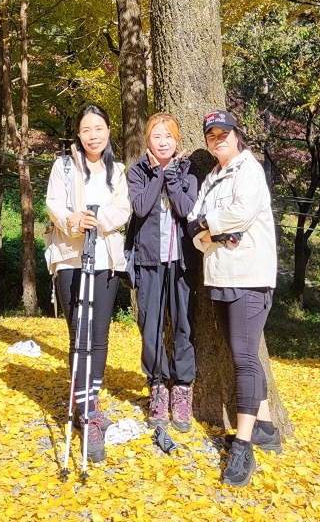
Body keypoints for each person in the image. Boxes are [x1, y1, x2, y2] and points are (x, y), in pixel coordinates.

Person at [188, 109, 277, 488]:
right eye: (211, 135)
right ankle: (266, 427)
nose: (218, 139)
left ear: (236, 135)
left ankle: (243, 445)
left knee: (242, 358)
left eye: (223, 133)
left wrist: (210, 227)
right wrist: (209, 232)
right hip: (220, 275)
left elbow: (241, 212)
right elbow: (194, 225)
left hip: (250, 276)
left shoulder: (249, 170)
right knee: (241, 353)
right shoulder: (211, 178)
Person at [45, 104, 130, 464]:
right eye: (86, 129)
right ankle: (84, 408)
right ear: (78, 134)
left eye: (98, 128)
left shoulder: (120, 171)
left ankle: (91, 407)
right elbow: (53, 203)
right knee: (78, 332)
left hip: (107, 259)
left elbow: (124, 208)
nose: (93, 135)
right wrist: (73, 219)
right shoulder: (64, 166)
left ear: (108, 131)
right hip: (70, 258)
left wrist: (98, 220)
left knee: (98, 335)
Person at [126, 112, 198, 431]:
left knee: (183, 324)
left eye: (168, 135)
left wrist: (170, 175)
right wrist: (157, 174)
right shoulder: (137, 171)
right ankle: (157, 387)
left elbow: (184, 208)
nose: (163, 141)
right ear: (147, 141)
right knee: (151, 325)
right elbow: (141, 207)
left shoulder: (188, 172)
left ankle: (181, 390)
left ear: (177, 139)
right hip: (149, 259)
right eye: (157, 136)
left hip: (180, 261)